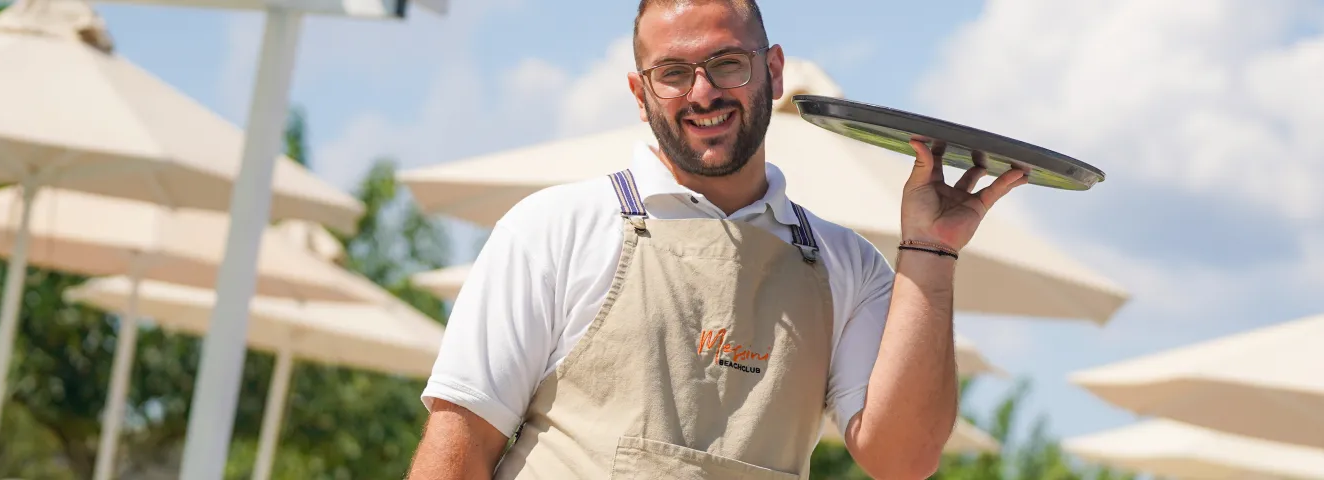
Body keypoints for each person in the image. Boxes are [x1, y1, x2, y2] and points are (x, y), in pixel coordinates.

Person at [406, 0, 1029, 478]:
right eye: (672, 72)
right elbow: (459, 450)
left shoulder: (849, 266)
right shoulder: (553, 230)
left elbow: (903, 460)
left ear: (774, 70)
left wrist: (933, 250)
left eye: (727, 63)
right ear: (640, 93)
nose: (702, 92)